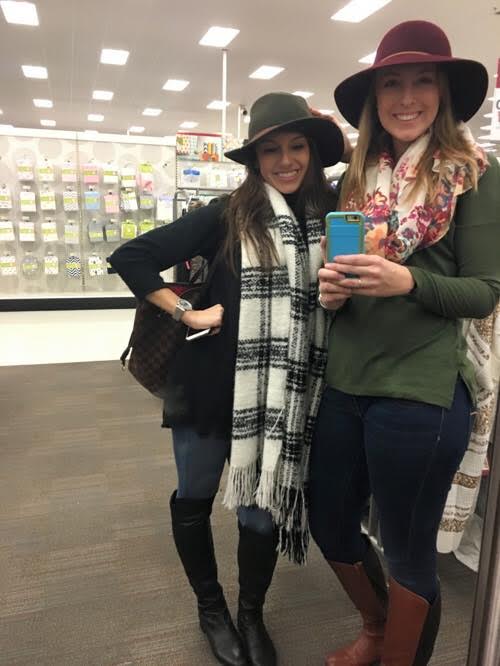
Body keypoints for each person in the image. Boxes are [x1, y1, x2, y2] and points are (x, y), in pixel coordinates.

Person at [109, 92, 345, 666]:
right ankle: (211, 609)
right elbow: (132, 255)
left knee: (258, 509)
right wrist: (184, 311)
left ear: (313, 155)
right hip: (213, 386)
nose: (285, 160)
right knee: (194, 496)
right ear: (254, 159)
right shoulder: (227, 215)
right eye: (272, 150)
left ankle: (251, 615)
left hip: (284, 395)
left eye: (297, 147)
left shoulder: (334, 219)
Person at [308, 20, 500, 666]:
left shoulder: (475, 174)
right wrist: (334, 292)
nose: (407, 96)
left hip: (422, 389)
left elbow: (484, 291)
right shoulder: (358, 180)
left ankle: (394, 653)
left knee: (408, 549)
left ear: (444, 91)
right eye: (393, 82)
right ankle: (376, 626)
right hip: (347, 379)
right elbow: (349, 277)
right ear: (375, 97)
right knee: (329, 520)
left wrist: (407, 280)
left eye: (423, 80)